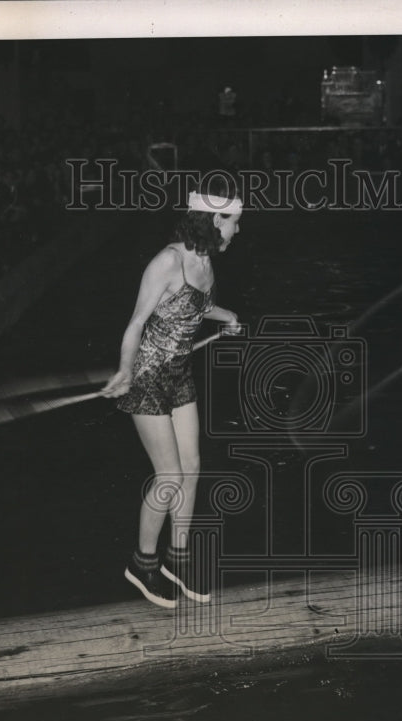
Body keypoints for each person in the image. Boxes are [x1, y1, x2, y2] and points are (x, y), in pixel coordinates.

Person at [101, 176, 243, 607]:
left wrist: (228, 315)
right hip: (146, 377)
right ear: (212, 219)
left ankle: (176, 559)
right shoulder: (166, 261)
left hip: (179, 373)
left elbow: (197, 305)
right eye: (234, 221)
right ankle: (142, 564)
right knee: (169, 476)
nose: (238, 229)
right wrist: (125, 370)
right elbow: (136, 323)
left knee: (193, 465)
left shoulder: (206, 259)